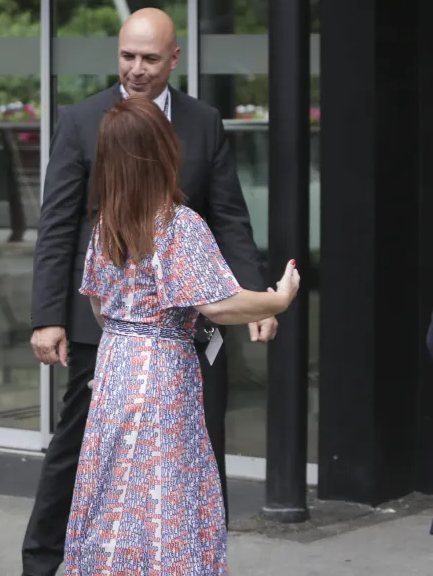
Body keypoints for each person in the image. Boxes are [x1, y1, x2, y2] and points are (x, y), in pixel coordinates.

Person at [22, 7, 274, 575]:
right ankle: (42, 564)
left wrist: (252, 298)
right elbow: (58, 224)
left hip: (192, 326)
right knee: (80, 449)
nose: (136, 70)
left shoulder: (203, 122)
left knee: (199, 447)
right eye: (127, 57)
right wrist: (47, 317)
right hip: (108, 330)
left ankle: (194, 562)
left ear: (174, 59)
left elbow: (229, 218)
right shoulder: (83, 120)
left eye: (149, 59)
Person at [62, 95, 299, 573]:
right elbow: (218, 305)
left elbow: (98, 304)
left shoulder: (107, 224)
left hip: (114, 365)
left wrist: (127, 340)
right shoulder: (177, 224)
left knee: (112, 494)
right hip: (162, 370)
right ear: (162, 151)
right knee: (165, 498)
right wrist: (278, 299)